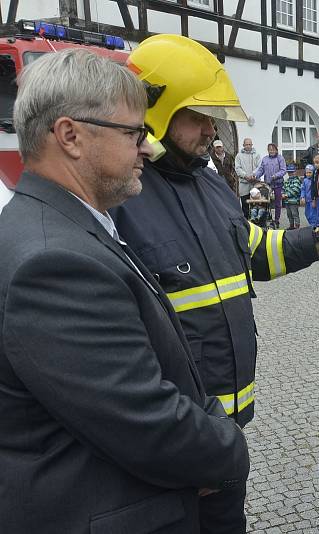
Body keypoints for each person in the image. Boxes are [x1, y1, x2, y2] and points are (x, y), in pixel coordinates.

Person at [0, 48, 250, 533]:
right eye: (134, 133)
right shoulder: (54, 263)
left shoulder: (61, 224)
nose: (148, 148)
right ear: (70, 135)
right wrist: (228, 448)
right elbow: (145, 423)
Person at [112, 34, 319, 534]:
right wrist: (179, 443)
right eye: (199, 116)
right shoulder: (121, 192)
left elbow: (253, 249)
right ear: (157, 111)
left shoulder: (206, 180)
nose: (212, 130)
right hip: (173, 434)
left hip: (225, 427)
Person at [255, 142, 286, 228]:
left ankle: (276, 220)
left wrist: (276, 175)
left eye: (273, 149)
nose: (271, 151)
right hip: (267, 184)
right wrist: (255, 175)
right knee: (265, 202)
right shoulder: (265, 159)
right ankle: (265, 219)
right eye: (270, 149)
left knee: (277, 203)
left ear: (276, 150)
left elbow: (283, 170)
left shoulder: (280, 158)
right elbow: (261, 169)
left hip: (278, 184)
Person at [234, 137, 260, 217]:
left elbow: (259, 167)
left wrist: (254, 175)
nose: (248, 146)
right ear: (243, 145)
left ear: (252, 145)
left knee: (254, 205)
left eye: (249, 144)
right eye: (246, 144)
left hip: (254, 184)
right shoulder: (239, 156)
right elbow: (237, 168)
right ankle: (246, 223)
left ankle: (254, 222)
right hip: (244, 184)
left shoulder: (256, 155)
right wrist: (245, 176)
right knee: (245, 205)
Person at [283, 163, 303, 229]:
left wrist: (286, 195)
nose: (290, 173)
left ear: (295, 172)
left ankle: (297, 226)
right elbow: (283, 188)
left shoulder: (297, 180)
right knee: (289, 215)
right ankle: (291, 226)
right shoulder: (286, 181)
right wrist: (282, 193)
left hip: (294, 202)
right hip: (287, 202)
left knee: (295, 214)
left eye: (292, 172)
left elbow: (295, 190)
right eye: (289, 172)